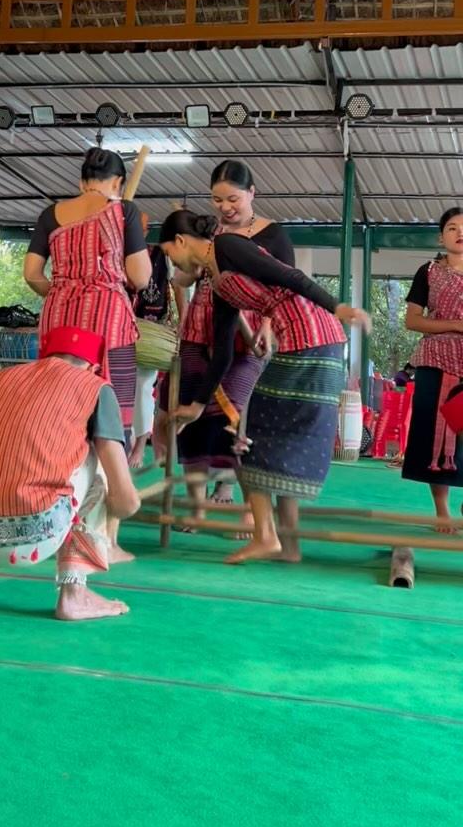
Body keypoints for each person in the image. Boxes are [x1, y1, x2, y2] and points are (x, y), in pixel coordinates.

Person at [158, 210, 370, 564]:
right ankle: (289, 546)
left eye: (168, 253)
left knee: (248, 436)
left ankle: (266, 536)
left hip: (310, 339)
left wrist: (340, 307)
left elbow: (291, 276)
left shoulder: (226, 246)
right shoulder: (217, 280)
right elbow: (223, 353)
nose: (172, 262)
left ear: (180, 242)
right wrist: (196, 405)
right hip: (311, 342)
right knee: (276, 439)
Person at [0, 326, 141, 621]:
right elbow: (126, 503)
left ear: (42, 356)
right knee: (96, 461)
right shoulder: (95, 387)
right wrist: (118, 503)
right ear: (94, 367)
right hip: (32, 528)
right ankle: (74, 594)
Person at [24, 147, 151, 561]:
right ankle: (104, 540)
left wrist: (61, 292)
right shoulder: (125, 213)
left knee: (60, 417)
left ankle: (47, 520)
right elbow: (140, 275)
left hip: (59, 320)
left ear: (81, 182)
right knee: (109, 421)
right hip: (107, 324)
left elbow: (31, 274)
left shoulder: (51, 214)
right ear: (117, 183)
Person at [164, 160, 296, 521]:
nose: (225, 208)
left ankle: (245, 504)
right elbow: (186, 277)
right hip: (199, 325)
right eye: (217, 200)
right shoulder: (208, 231)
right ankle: (196, 505)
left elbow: (284, 287)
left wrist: (267, 325)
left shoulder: (273, 235)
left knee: (233, 418)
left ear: (252, 193)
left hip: (248, 333)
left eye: (233, 199)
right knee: (190, 415)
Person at [402, 207, 463, 532]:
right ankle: (442, 511)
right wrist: (455, 324)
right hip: (435, 364)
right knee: (437, 437)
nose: (460, 233)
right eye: (452, 228)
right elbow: (412, 320)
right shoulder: (427, 272)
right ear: (441, 236)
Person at [129, 212, 184, 469]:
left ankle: (140, 445)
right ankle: (120, 443)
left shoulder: (160, 254)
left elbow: (178, 285)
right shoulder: (115, 253)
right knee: (114, 387)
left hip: (149, 331)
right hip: (119, 328)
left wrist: (183, 320)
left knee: (142, 388)